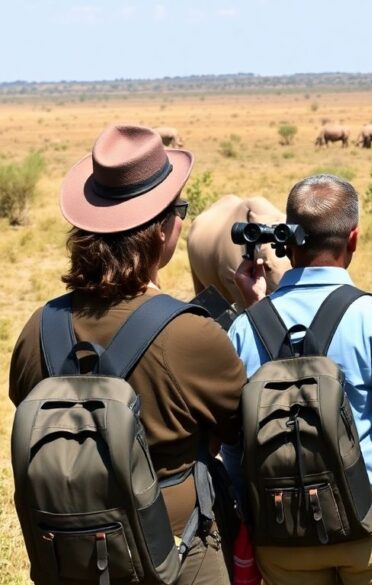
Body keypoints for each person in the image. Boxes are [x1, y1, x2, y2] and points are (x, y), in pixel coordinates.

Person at [9, 124, 246, 584]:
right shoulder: (190, 334)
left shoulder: (37, 327)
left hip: (69, 560)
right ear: (160, 231)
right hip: (178, 558)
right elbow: (238, 430)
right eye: (180, 210)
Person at [229, 174, 372, 585]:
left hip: (282, 536)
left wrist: (256, 311)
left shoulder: (244, 328)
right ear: (353, 239)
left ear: (288, 242)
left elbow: (231, 444)